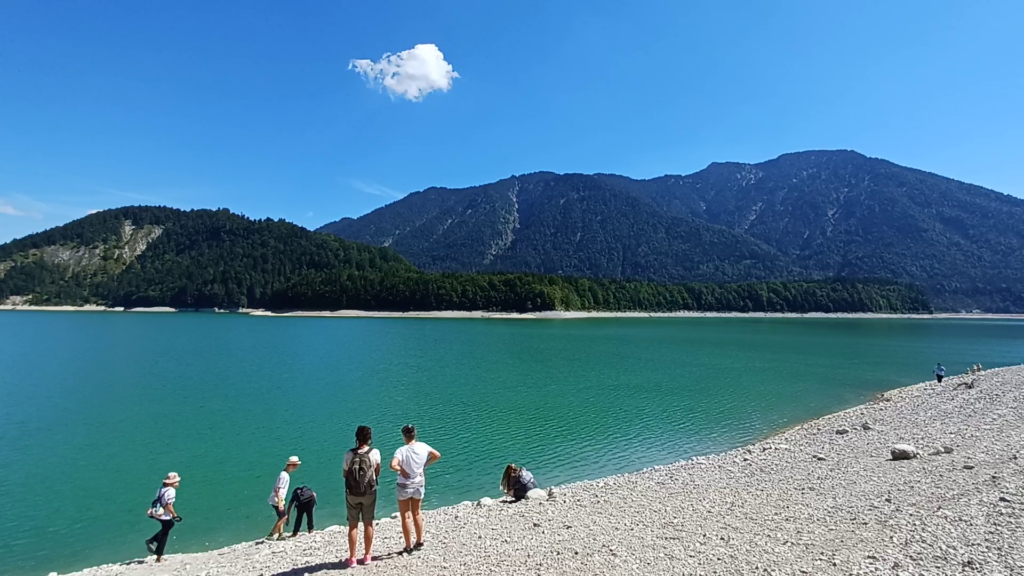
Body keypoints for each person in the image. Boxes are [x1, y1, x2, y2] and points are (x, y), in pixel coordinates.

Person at [390, 424, 441, 554]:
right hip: (419, 484)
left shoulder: (401, 451)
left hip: (404, 486)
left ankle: (408, 546)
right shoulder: (423, 446)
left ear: (404, 436)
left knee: (406, 516)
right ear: (415, 433)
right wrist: (425, 465)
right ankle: (419, 540)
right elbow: (437, 455)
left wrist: (401, 469)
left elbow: (392, 465)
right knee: (417, 512)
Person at [342, 425, 381, 567]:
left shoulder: (349, 454)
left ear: (356, 438)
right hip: (369, 492)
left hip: (351, 493)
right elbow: (377, 473)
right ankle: (367, 556)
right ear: (369, 438)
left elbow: (344, 474)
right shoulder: (375, 452)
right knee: (368, 523)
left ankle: (352, 558)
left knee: (353, 525)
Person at [145, 472, 182, 563]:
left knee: (165, 531)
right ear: (171, 483)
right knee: (165, 532)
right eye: (175, 481)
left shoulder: (161, 488)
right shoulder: (171, 491)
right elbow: (169, 506)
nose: (177, 483)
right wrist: (175, 515)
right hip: (164, 515)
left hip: (157, 513)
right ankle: (153, 544)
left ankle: (157, 552)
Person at [267, 456, 301, 540]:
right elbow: (277, 490)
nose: (296, 467)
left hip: (279, 499)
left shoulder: (284, 474)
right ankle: (271, 534)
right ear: (292, 465)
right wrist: (280, 502)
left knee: (280, 516)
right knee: (284, 517)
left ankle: (280, 534)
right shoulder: (284, 476)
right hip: (278, 499)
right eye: (296, 465)